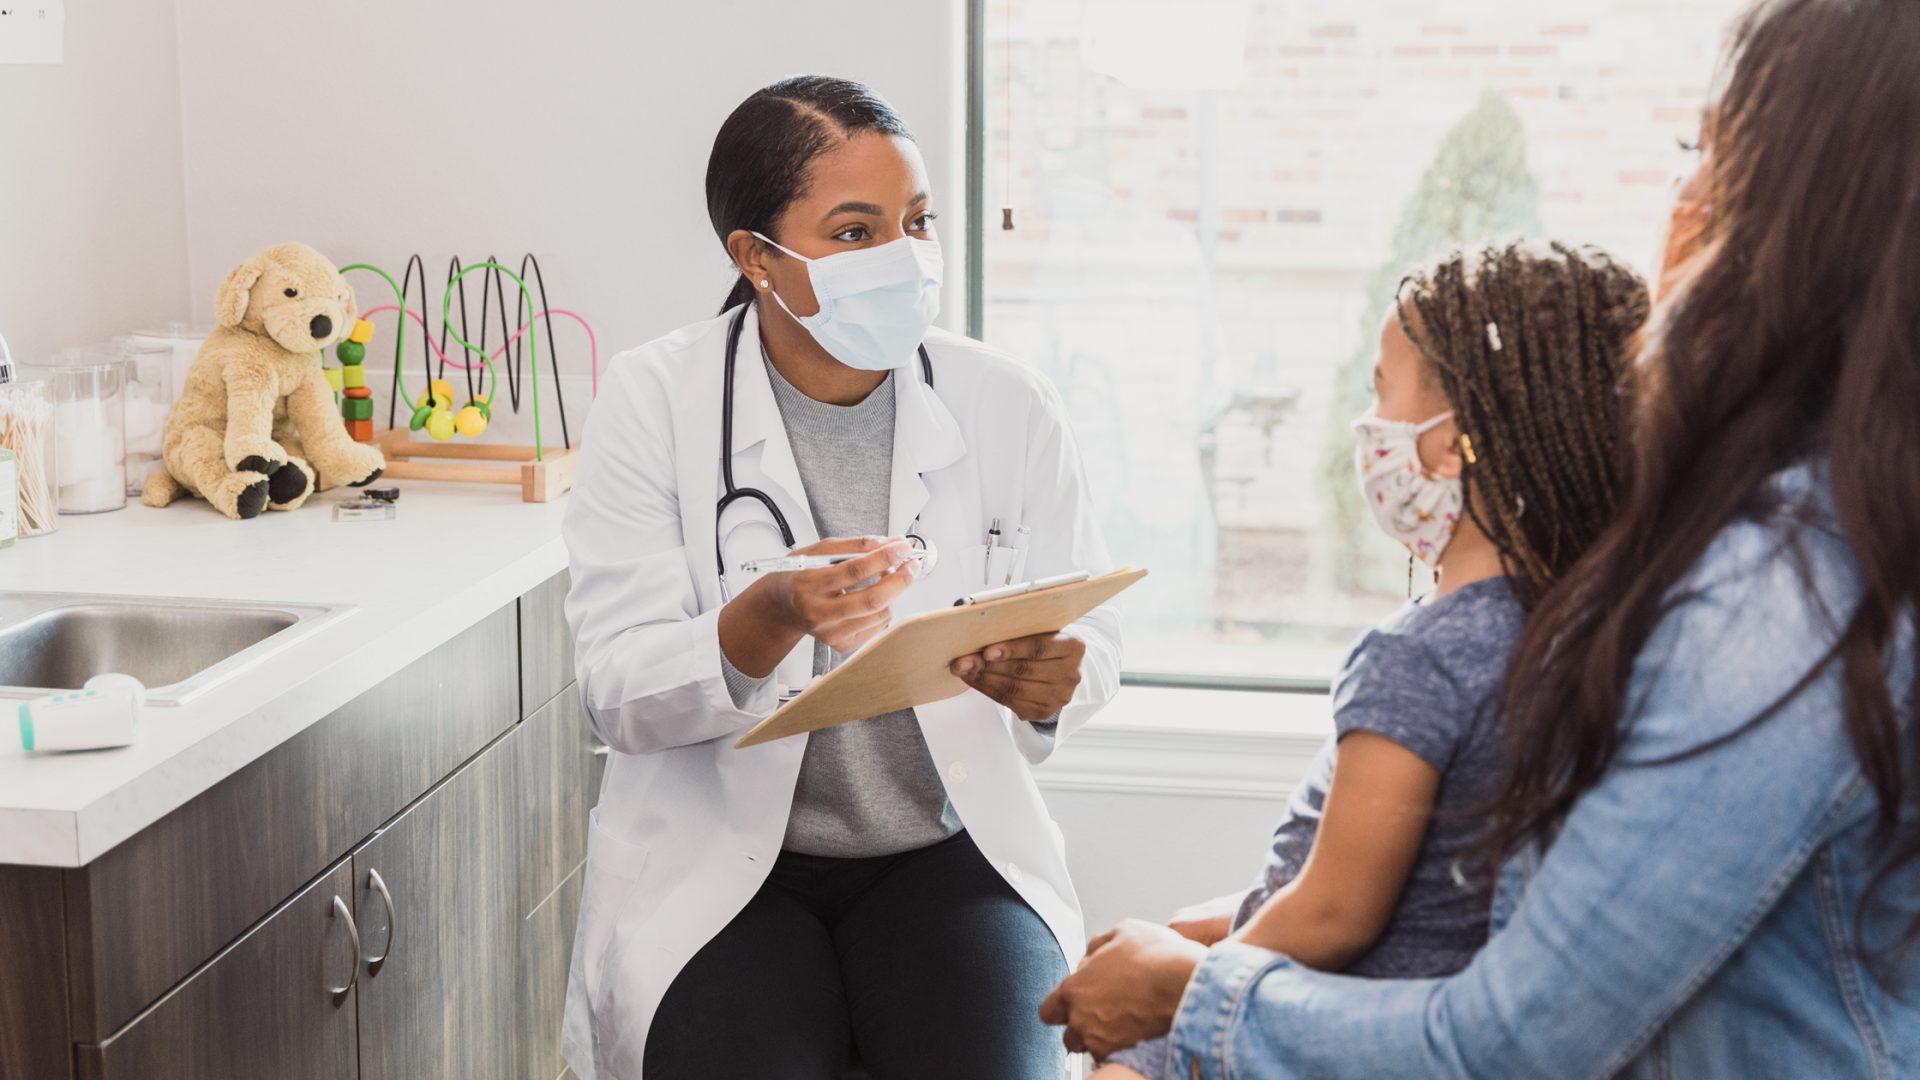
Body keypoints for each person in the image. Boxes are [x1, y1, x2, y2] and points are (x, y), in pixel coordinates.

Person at [1041, 0, 1920, 1075]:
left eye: (1708, 157)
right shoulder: (1760, 556)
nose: (1679, 205)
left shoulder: (1776, 598)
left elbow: (1506, 1042)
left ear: (1799, 219)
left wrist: (1188, 999)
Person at [560, 75, 1122, 1080]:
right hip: (726, 869)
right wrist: (766, 617)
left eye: (917, 222)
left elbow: (1090, 641)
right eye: (856, 232)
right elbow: (617, 693)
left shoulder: (1007, 403)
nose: (903, 258)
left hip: (946, 852)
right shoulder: (655, 400)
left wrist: (1056, 683)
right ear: (756, 258)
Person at [1080, 241, 1650, 1079]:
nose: (1369, 424)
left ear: (1449, 445)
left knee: (1123, 1058)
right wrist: (1229, 922)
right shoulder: (1583, 628)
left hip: (1331, 1011)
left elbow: (1336, 913)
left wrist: (1196, 989)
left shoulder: (1419, 659)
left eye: (1382, 393)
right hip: (1423, 984)